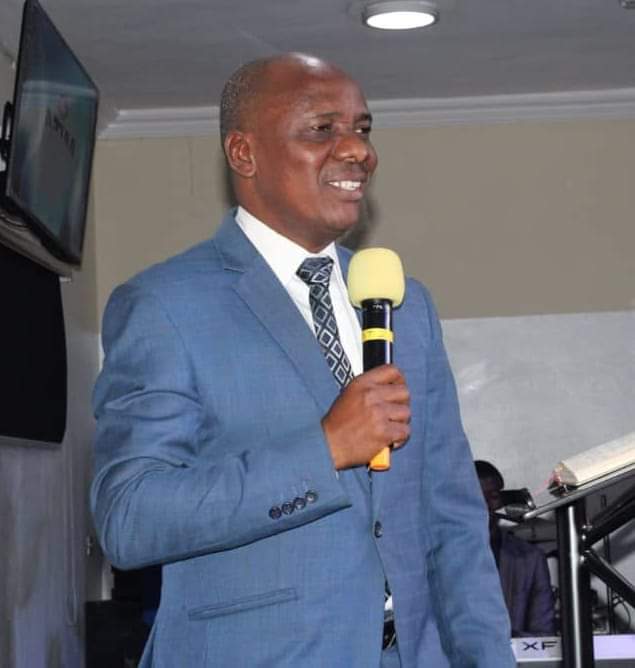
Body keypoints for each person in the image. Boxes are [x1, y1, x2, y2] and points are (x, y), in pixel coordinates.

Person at [91, 52, 515, 667]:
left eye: (362, 129)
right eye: (322, 129)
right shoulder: (164, 305)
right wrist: (325, 449)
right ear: (244, 153)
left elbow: (452, 517)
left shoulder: (405, 304)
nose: (358, 150)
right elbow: (130, 518)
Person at [475, 460, 556, 637]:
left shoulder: (530, 558)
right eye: (477, 497)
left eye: (493, 496)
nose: (486, 505)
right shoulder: (437, 556)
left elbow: (543, 633)